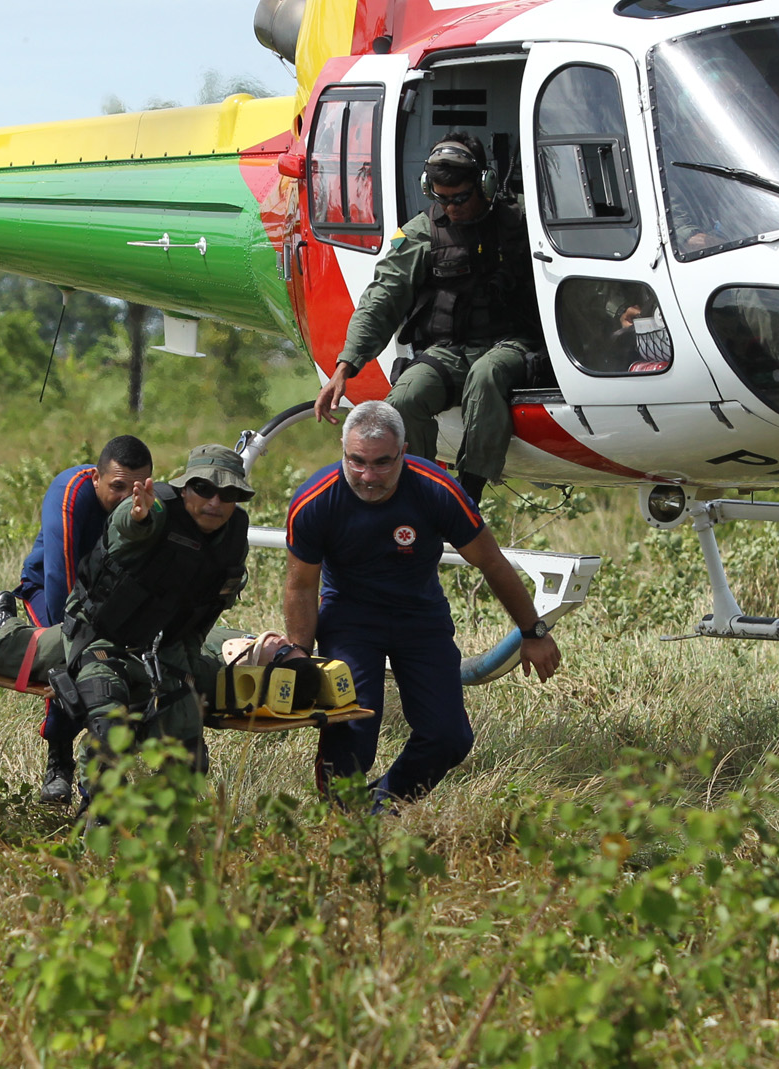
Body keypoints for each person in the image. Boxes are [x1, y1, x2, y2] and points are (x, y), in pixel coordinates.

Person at [284, 401, 560, 807]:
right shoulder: (316, 500)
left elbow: (490, 561)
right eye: (356, 461)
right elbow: (301, 586)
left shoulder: (436, 489)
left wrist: (533, 631)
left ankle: (378, 807)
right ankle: (340, 823)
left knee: (449, 737)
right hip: (350, 616)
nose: (368, 476)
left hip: (419, 615)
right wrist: (300, 655)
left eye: (382, 463)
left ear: (404, 452)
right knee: (354, 728)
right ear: (342, 450)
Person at [312, 133, 538, 506]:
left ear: (485, 184)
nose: (451, 208)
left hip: (511, 344)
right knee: (404, 399)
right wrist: (345, 366)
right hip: (451, 351)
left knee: (486, 376)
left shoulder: (520, 224)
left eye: (460, 197)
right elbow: (381, 299)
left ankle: (467, 495)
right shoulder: (420, 233)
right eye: (441, 199)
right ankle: (418, 496)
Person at [54, 444, 253, 784]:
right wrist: (138, 519)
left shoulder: (233, 537)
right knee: (108, 731)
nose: (215, 503)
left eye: (229, 493)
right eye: (204, 489)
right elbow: (127, 527)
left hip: (164, 646)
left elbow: (203, 617)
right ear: (185, 486)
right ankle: (96, 820)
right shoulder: (155, 506)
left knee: (189, 754)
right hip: (100, 636)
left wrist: (187, 676)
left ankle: (164, 827)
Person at [0, 435, 154, 806]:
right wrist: (79, 641)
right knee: (70, 659)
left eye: (136, 488)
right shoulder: (70, 492)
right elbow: (61, 578)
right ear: (96, 477)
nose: (127, 498)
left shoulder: (150, 505)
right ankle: (59, 761)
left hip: (107, 599)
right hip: (49, 588)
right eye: (117, 487)